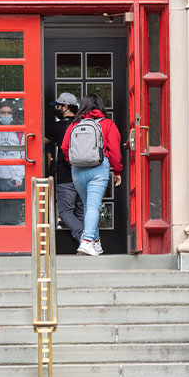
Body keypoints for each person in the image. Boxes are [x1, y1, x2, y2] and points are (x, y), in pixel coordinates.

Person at [62, 93, 122, 256]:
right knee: (93, 206)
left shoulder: (74, 124)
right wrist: (117, 170)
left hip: (77, 170)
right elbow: (115, 150)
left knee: (89, 206)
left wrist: (74, 161)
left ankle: (96, 243)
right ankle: (87, 241)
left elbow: (65, 147)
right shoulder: (108, 124)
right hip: (98, 168)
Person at [44, 92, 84, 245]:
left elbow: (39, 141)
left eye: (58, 106)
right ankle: (85, 245)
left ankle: (86, 239)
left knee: (65, 212)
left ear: (65, 107)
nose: (57, 109)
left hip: (66, 175)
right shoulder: (82, 124)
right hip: (85, 175)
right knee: (80, 212)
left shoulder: (59, 126)